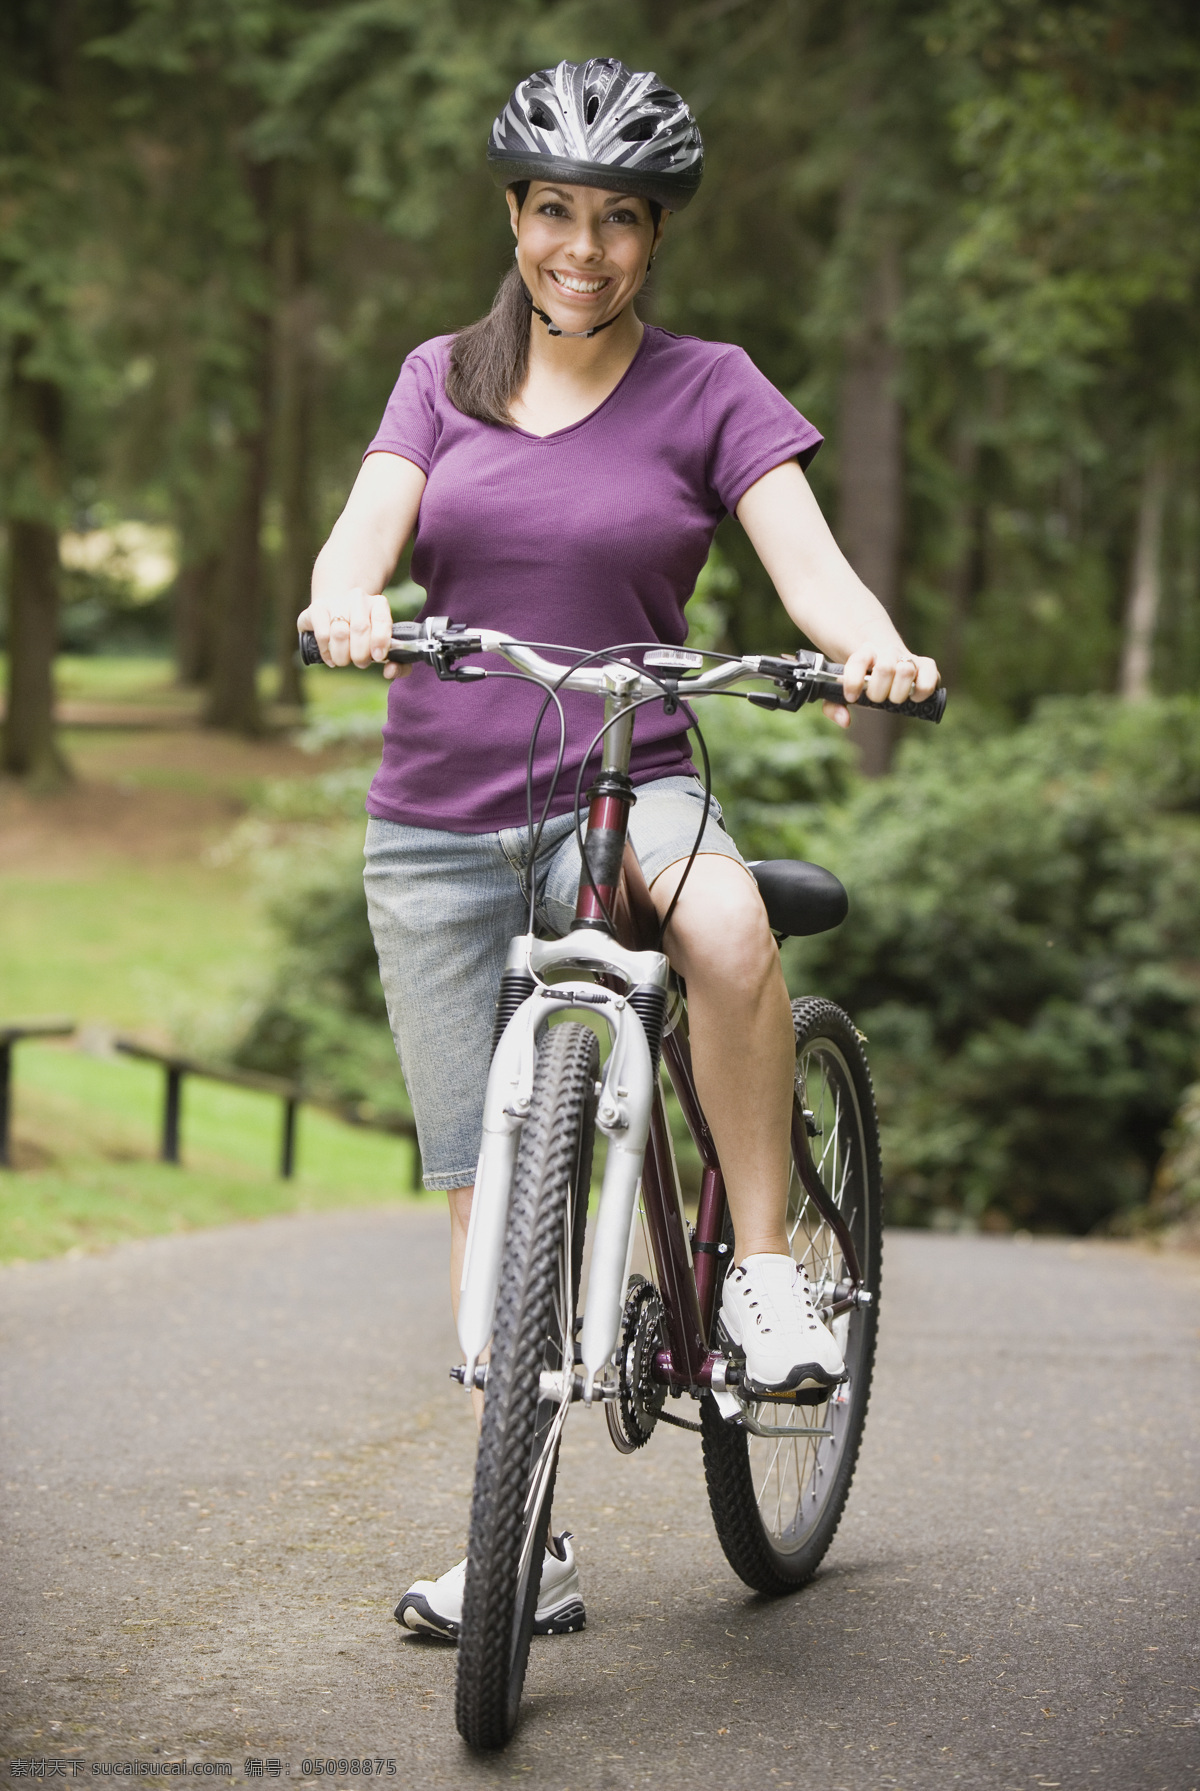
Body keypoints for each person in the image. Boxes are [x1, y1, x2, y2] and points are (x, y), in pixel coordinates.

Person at [298, 57, 939, 1641]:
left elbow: (814, 569)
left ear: (655, 236)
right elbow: (361, 531)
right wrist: (347, 602)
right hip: (438, 821)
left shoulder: (712, 385)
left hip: (632, 766)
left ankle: (769, 1271)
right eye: (556, 212)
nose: (584, 247)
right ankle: (524, 1542)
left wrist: (877, 650)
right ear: (514, 216)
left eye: (621, 220)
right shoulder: (439, 375)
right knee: (486, 1197)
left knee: (727, 932)